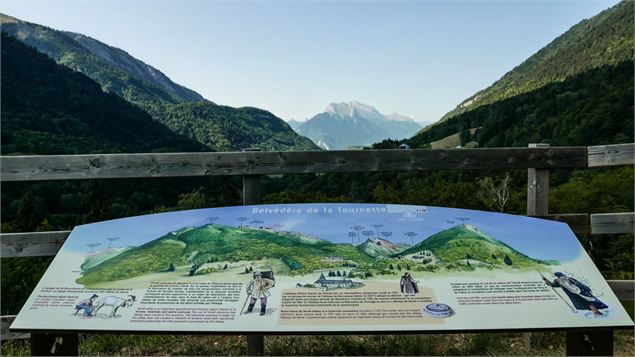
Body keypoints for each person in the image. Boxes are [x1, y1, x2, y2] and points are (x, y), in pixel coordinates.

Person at [543, 272, 608, 316]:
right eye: (558, 277)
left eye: (560, 276)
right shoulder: (559, 283)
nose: (559, 278)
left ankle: (598, 313)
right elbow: (552, 285)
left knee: (591, 302)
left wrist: (586, 288)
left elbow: (579, 284)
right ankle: (597, 313)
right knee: (586, 304)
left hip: (582, 293)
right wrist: (546, 281)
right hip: (574, 296)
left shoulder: (570, 279)